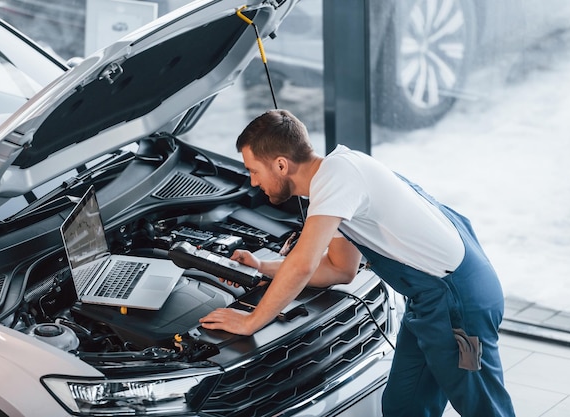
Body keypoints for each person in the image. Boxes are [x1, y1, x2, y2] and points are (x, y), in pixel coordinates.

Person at [199, 109, 515, 417]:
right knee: (404, 406)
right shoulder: (339, 175)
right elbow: (340, 268)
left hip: (459, 304)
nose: (253, 182)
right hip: (430, 302)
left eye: (254, 170)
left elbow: (302, 265)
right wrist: (261, 266)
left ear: (281, 164)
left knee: (482, 407)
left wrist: (251, 321)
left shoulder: (336, 180)